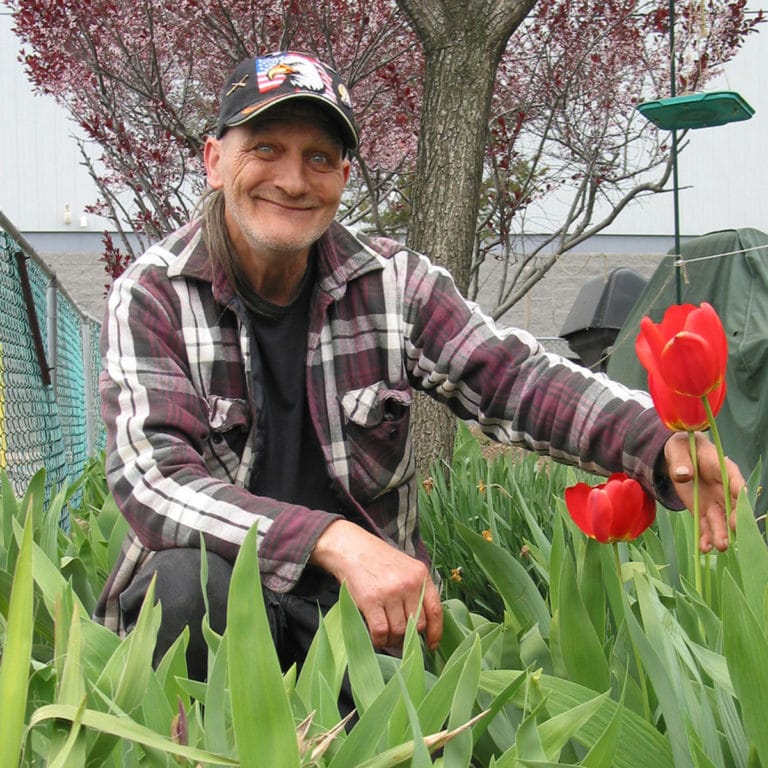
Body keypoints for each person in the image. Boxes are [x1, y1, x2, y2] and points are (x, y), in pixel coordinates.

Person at [94, 51, 744, 682]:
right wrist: (332, 538)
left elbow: (513, 379)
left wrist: (655, 444)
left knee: (394, 712)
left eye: (318, 157)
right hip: (220, 601)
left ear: (344, 179)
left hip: (359, 604)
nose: (292, 180)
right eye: (266, 149)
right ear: (215, 161)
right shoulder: (154, 296)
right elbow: (155, 483)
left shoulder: (392, 285)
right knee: (182, 582)